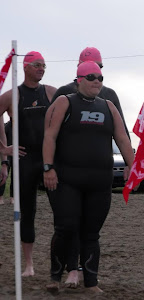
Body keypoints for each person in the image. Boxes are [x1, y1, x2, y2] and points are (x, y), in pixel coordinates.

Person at [43, 61, 134, 293]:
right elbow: (50, 136)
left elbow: (123, 139)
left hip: (99, 181)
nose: (97, 82)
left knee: (91, 232)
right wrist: (48, 168)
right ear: (79, 79)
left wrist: (134, 167)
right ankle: (55, 276)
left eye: (100, 78)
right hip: (67, 179)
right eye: (92, 77)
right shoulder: (65, 102)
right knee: (66, 227)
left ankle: (91, 283)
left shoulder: (109, 106)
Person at [0, 51, 57, 276]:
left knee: (62, 213)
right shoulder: (12, 96)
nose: (41, 68)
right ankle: (29, 265)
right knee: (27, 213)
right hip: (25, 160)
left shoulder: (52, 92)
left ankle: (60, 265)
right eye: (37, 65)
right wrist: (4, 150)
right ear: (25, 67)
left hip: (49, 161)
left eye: (44, 65)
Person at [51, 46, 130, 138]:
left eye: (98, 67)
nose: (95, 69)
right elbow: (48, 134)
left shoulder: (110, 95)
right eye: (90, 66)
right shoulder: (64, 93)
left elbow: (123, 136)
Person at [0, 121, 14, 205]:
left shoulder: (21, 126)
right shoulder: (8, 126)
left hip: (17, 154)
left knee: (15, 177)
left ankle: (13, 197)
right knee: (4, 176)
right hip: (7, 154)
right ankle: (0, 197)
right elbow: (3, 138)